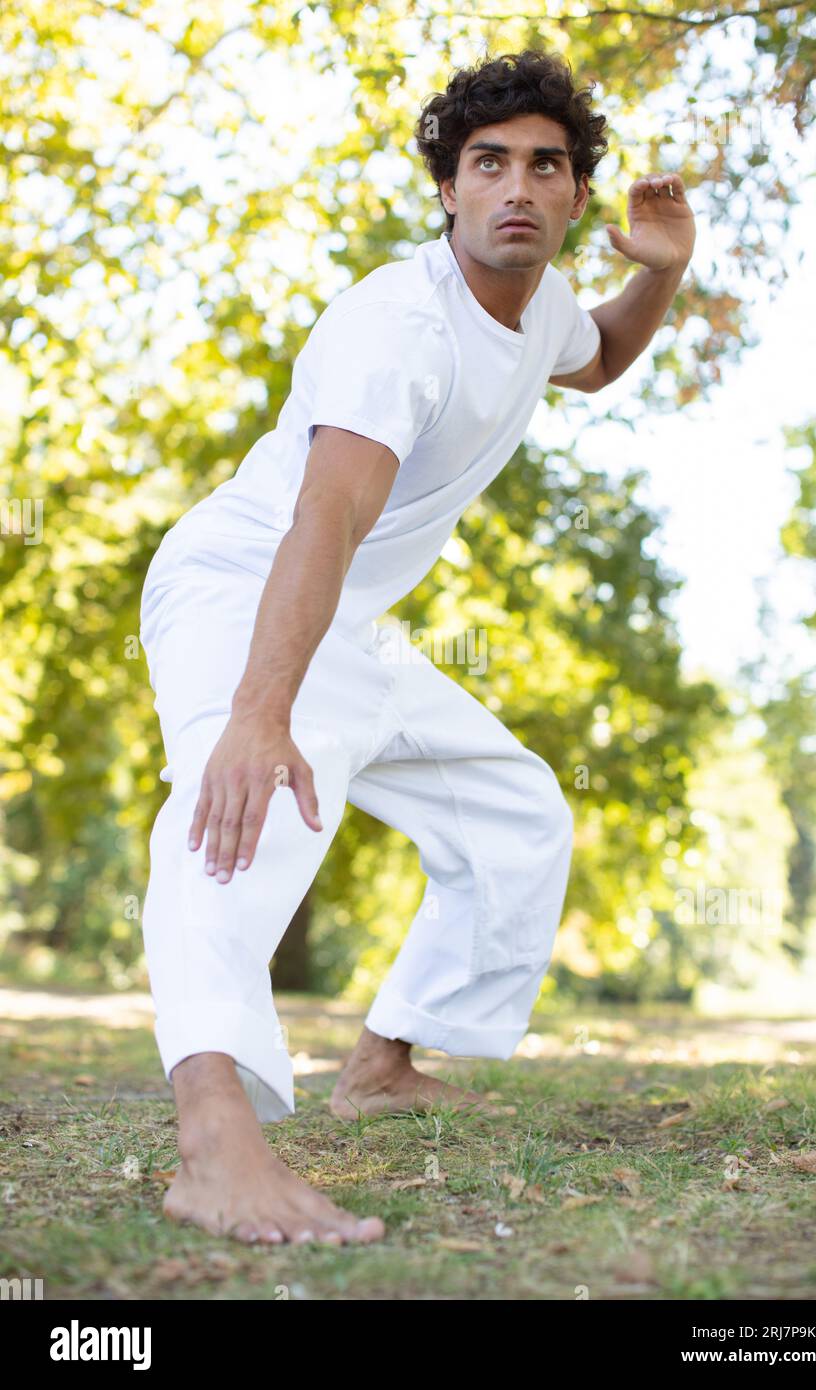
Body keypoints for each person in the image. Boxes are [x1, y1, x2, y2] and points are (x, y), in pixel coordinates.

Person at [138, 48, 696, 1247]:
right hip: (246, 585)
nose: (516, 186)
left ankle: (382, 1062)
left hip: (343, 615)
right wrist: (256, 712)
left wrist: (662, 277)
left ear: (572, 200)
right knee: (243, 808)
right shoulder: (396, 328)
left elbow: (592, 359)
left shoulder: (537, 302)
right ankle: (212, 1138)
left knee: (514, 809)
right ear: (446, 188)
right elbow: (322, 517)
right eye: (487, 162)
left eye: (544, 167)